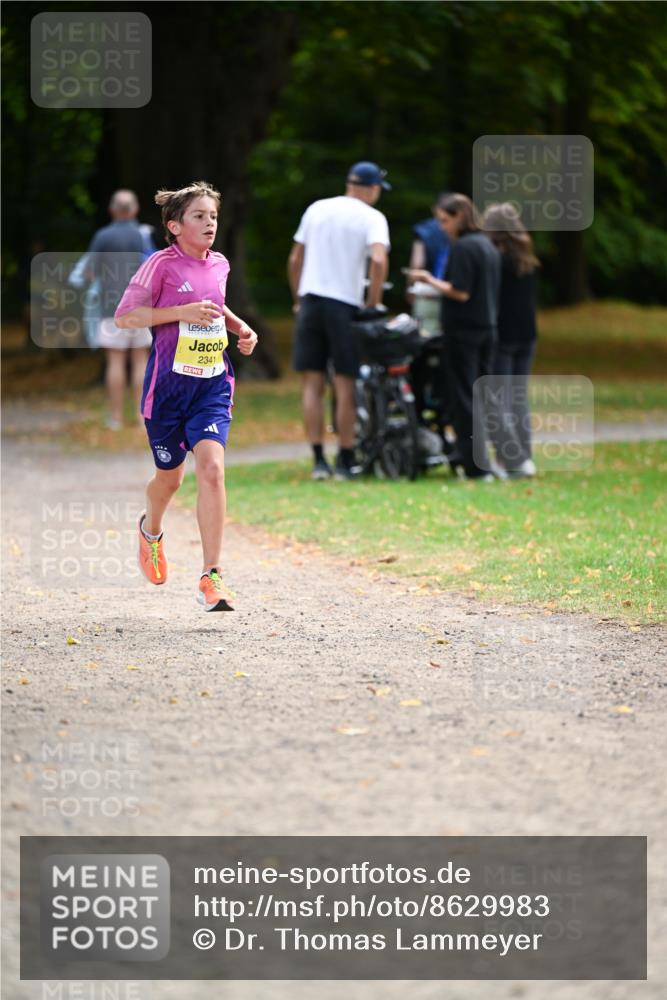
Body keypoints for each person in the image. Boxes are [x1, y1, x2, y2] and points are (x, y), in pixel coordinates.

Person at [114, 181, 258, 611]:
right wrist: (179, 312)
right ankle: (151, 531)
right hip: (168, 392)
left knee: (212, 469)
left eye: (213, 215)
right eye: (199, 216)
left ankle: (211, 576)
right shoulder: (160, 265)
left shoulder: (220, 264)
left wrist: (240, 328)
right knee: (170, 478)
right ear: (175, 226)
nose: (209, 222)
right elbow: (126, 318)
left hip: (212, 386)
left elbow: (215, 304)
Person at [287, 161, 391, 480]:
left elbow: (295, 259)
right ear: (372, 189)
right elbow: (377, 259)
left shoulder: (317, 208)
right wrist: (373, 302)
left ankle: (318, 460)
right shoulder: (373, 218)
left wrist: (297, 300)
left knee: (312, 384)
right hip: (344, 305)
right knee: (346, 383)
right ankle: (346, 457)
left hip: (311, 302)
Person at [408, 193, 501, 480]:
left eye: (444, 221)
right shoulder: (487, 245)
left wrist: (427, 280)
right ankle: (482, 459)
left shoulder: (463, 248)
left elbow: (460, 291)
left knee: (462, 398)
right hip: (488, 328)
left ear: (460, 216)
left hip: (463, 332)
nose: (442, 228)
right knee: (480, 396)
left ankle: (474, 464)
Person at [87, 190, 157, 428]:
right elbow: (153, 266)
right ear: (135, 210)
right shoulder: (143, 234)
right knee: (140, 360)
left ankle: (115, 417)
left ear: (112, 210)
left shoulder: (102, 236)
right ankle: (140, 416)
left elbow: (89, 271)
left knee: (115, 362)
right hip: (142, 308)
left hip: (111, 307)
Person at [482, 203, 540, 477]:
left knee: (497, 399)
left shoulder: (495, 260)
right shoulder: (527, 259)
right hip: (527, 334)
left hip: (503, 334)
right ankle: (523, 456)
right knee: (518, 399)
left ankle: (509, 457)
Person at [407, 193, 451, 336]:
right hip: (453, 295)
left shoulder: (424, 229)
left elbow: (417, 263)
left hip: (427, 293)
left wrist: (410, 287)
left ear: (435, 208)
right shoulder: (462, 231)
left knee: (424, 337)